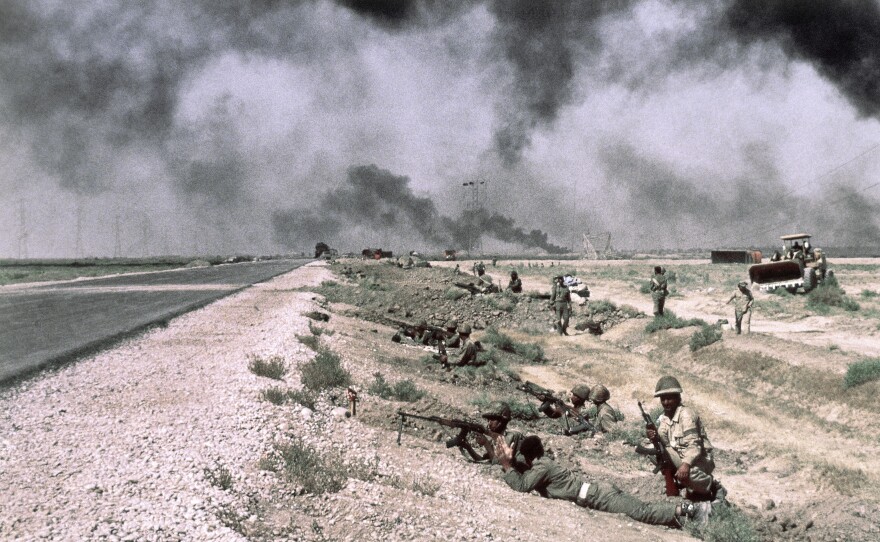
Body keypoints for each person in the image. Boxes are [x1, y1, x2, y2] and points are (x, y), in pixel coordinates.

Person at [491, 435, 709, 528]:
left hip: (598, 496)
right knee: (643, 508)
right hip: (597, 492)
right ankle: (688, 511)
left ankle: (693, 510)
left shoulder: (542, 467)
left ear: (528, 457)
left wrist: (507, 466)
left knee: (644, 513)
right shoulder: (543, 463)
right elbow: (523, 468)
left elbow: (521, 485)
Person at [646, 376, 724, 502]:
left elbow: (695, 446)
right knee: (655, 451)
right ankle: (678, 484)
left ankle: (714, 486)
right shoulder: (664, 417)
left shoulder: (686, 415)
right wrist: (654, 437)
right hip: (680, 455)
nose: (666, 402)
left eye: (669, 398)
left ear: (678, 398)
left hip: (699, 458)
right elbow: (664, 444)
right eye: (663, 399)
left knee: (690, 475)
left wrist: (685, 465)